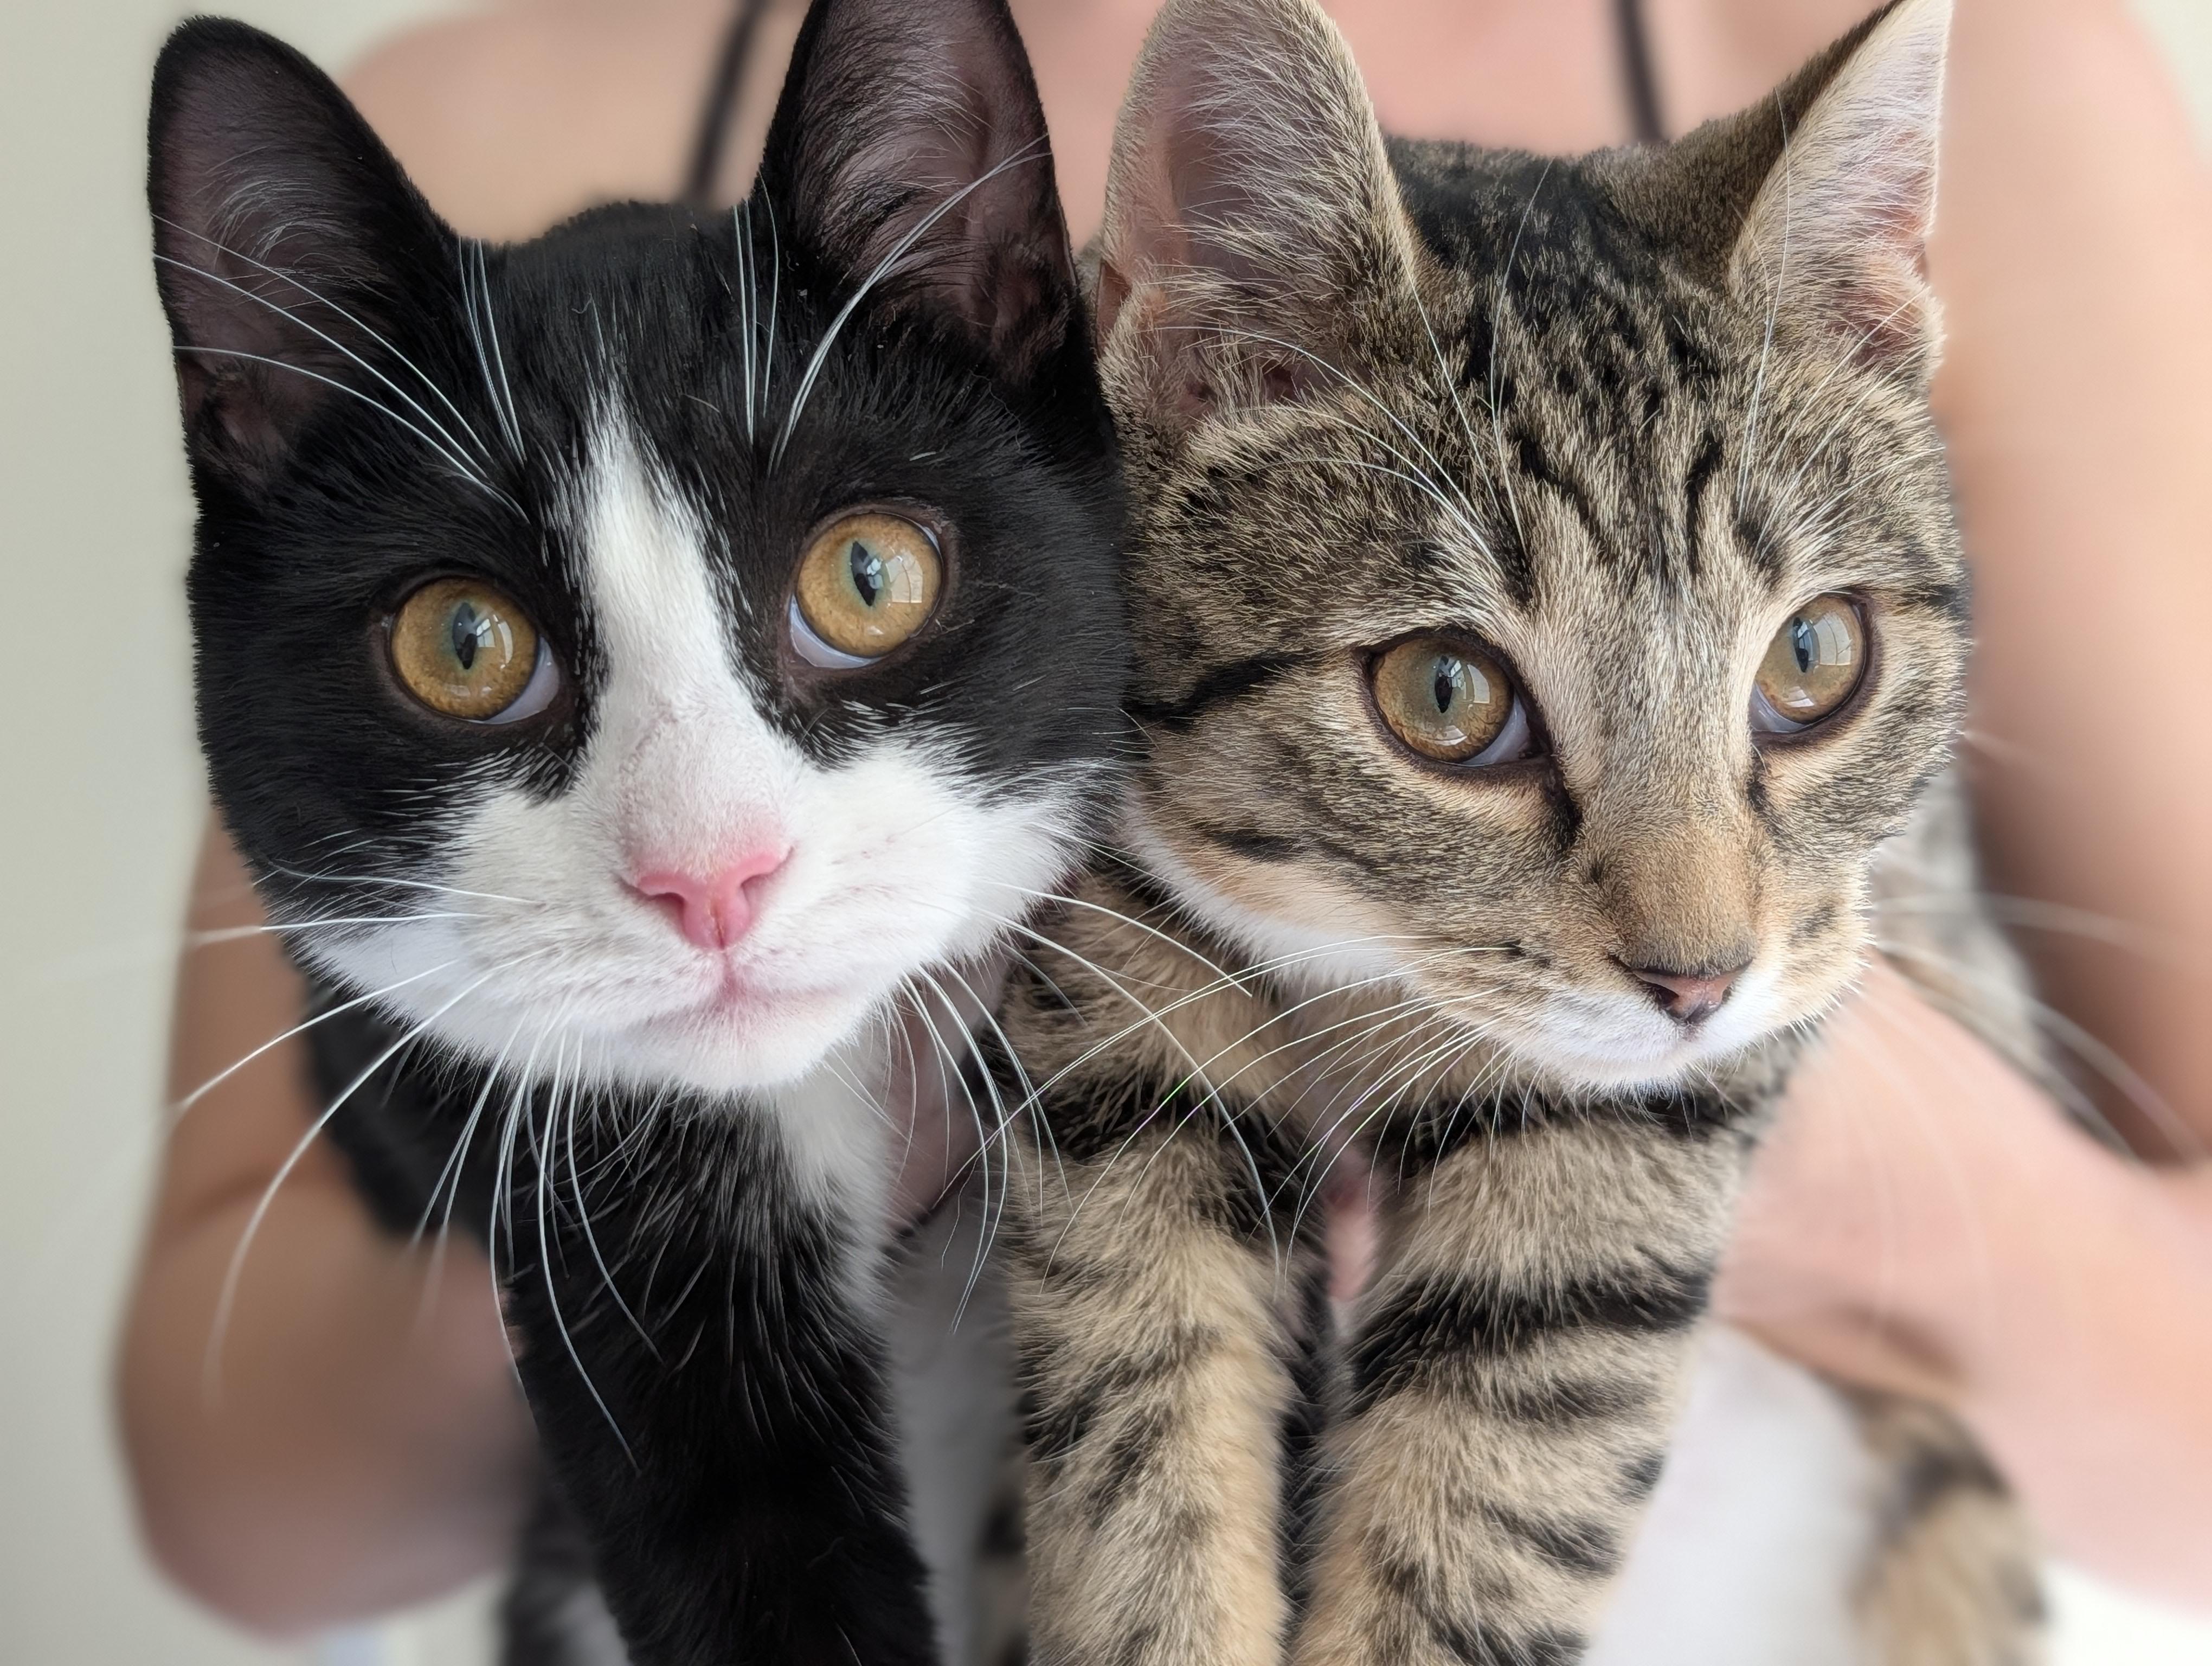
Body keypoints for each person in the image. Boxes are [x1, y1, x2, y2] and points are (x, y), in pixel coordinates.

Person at [118, 0, 2212, 1635]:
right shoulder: (481, 118)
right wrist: (758, 1178)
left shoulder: (1996, 89)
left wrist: (1672, 1137)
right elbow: (231, 1495)